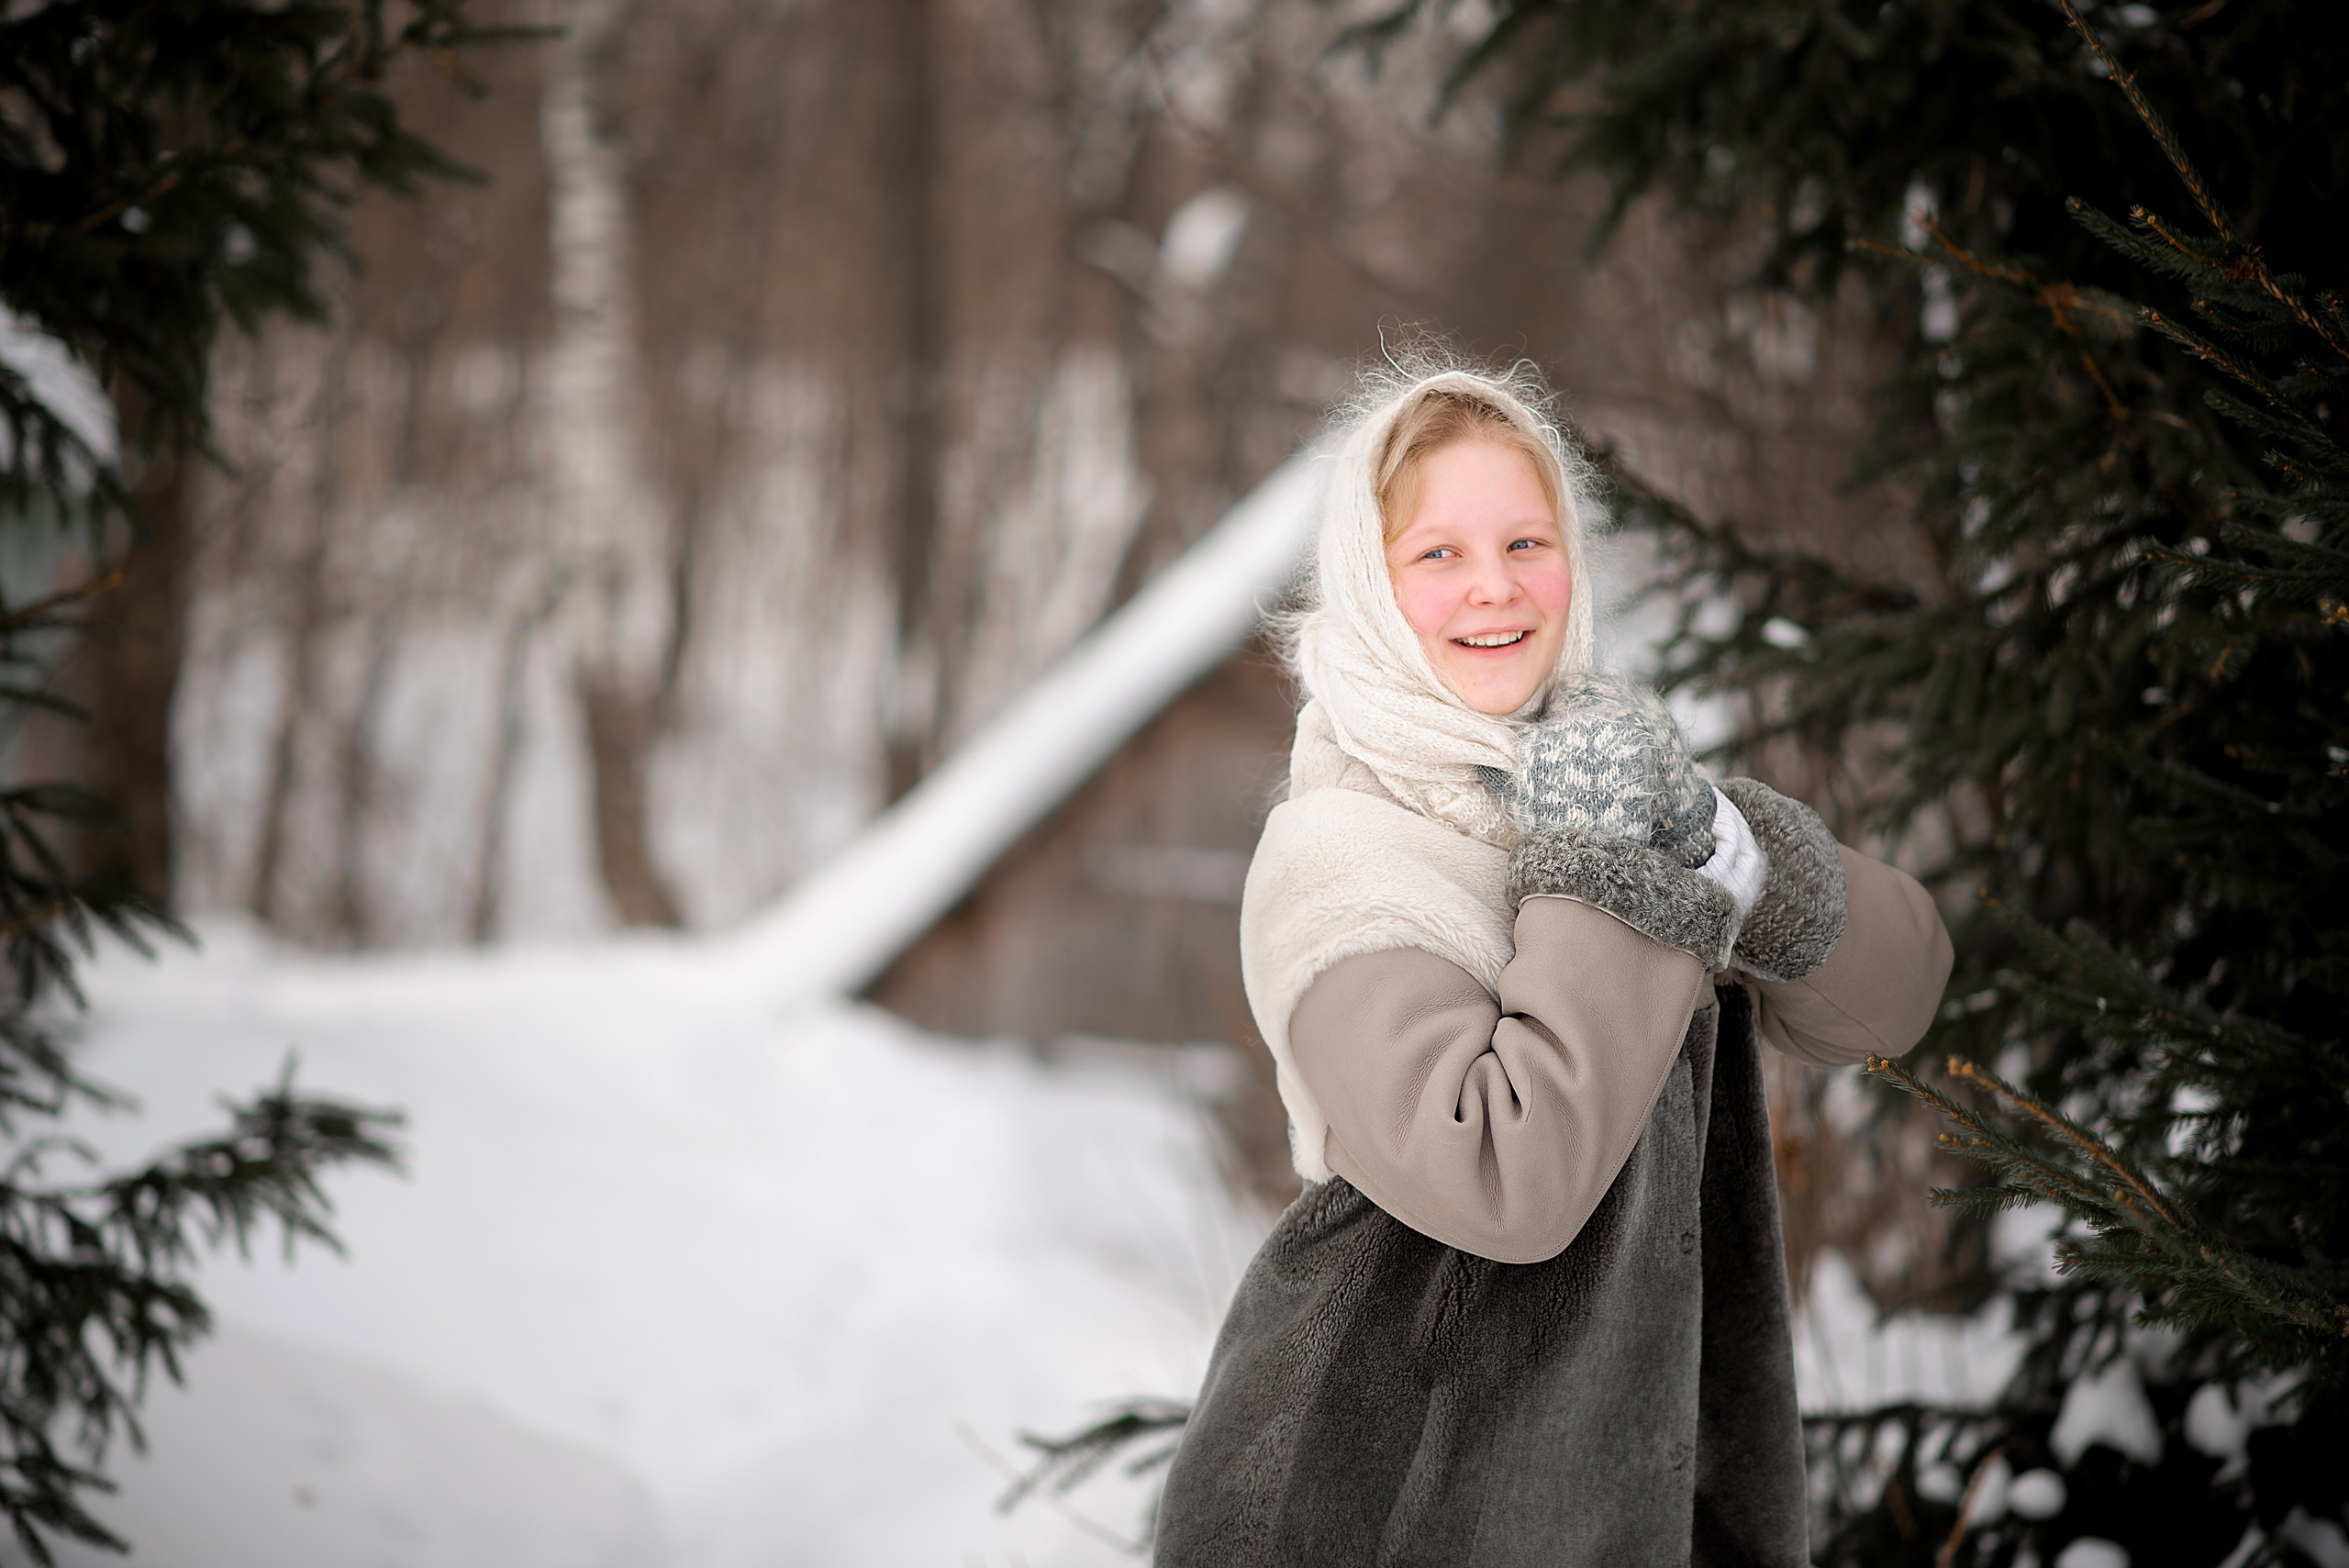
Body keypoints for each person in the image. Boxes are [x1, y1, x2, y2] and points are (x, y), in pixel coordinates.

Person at [1152, 361, 1954, 1566]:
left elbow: (1899, 995)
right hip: (1393, 1501)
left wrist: (1718, 838)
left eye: (1528, 539)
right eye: (1438, 554)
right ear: (1372, 588)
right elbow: (1505, 1180)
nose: (1495, 586)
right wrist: (1612, 868)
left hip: (1652, 1492)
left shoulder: (1605, 791)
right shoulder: (1340, 853)